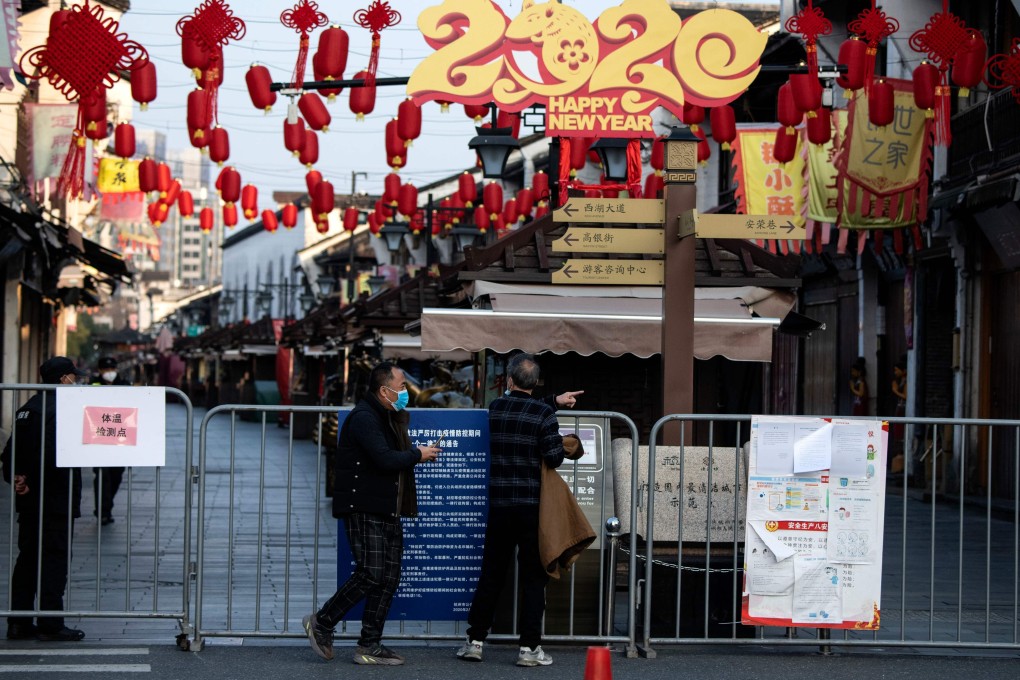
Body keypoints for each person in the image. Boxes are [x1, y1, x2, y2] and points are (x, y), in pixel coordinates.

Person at [302, 362, 439, 665]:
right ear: (384, 390)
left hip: (387, 506)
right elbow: (385, 459)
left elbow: (389, 457)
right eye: (401, 386)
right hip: (364, 507)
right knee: (371, 573)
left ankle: (370, 644)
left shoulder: (387, 416)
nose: (406, 392)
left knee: (388, 577)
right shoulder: (365, 418)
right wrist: (419, 454)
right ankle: (322, 622)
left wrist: (412, 448)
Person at [457, 353, 583, 667]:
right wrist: (561, 435)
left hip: (500, 506)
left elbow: (521, 407)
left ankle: (475, 641)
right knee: (533, 578)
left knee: (491, 574)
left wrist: (552, 401)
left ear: (510, 381)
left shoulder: (496, 408)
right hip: (532, 509)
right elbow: (553, 458)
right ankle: (529, 649)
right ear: (536, 382)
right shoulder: (543, 415)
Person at [1, 356, 87, 642]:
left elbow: (11, 453)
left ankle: (19, 622)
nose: (76, 381)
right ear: (64, 379)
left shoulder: (29, 408)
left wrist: (17, 477)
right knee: (53, 560)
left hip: (30, 502)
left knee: (27, 560)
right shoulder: (62, 409)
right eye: (73, 377)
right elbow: (52, 456)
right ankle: (51, 623)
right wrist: (30, 480)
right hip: (54, 499)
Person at [91, 357, 128, 525]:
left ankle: (107, 505)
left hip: (120, 438)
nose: (109, 372)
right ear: (100, 370)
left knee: (116, 475)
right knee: (102, 475)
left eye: (112, 368)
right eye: (105, 369)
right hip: (98, 436)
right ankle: (103, 511)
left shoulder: (125, 384)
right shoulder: (93, 384)